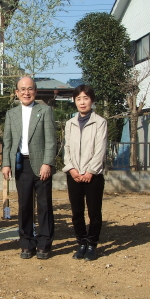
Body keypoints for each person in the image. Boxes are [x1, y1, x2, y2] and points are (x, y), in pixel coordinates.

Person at [2, 76, 56, 260]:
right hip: (20, 164)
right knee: (24, 205)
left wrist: (47, 163)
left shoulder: (45, 110)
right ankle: (26, 243)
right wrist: (6, 164)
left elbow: (51, 140)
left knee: (44, 205)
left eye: (30, 88)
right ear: (16, 92)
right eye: (22, 89)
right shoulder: (12, 114)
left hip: (41, 164)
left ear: (36, 91)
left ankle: (44, 244)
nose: (26, 92)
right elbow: (7, 141)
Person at [62, 84, 107, 261]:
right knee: (77, 212)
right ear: (74, 101)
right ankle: (81, 242)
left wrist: (90, 171)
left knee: (94, 212)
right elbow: (66, 148)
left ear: (92, 101)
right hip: (74, 174)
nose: (82, 102)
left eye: (86, 98)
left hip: (93, 176)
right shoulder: (70, 123)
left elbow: (100, 149)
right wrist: (71, 169)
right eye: (79, 99)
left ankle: (92, 244)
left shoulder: (100, 122)